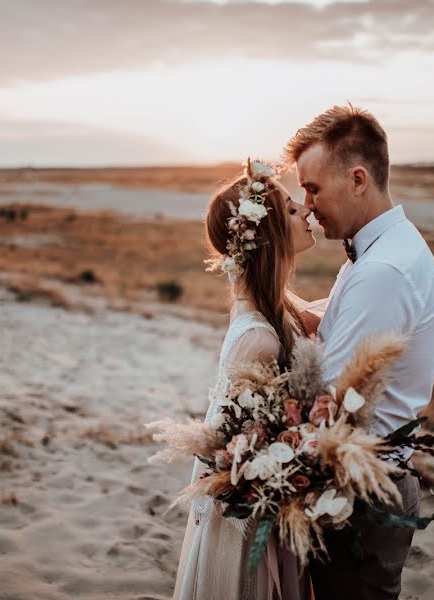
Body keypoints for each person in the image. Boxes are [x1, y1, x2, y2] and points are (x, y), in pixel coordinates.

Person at [282, 104, 434, 600]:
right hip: (364, 481)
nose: (307, 206)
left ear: (358, 179)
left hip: (362, 495)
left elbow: (329, 403)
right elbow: (329, 322)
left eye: (313, 188)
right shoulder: (382, 248)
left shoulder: (382, 272)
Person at [172, 160, 316, 600]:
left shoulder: (275, 306)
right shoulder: (259, 338)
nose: (306, 212)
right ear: (270, 234)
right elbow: (238, 446)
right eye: (293, 210)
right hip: (250, 521)